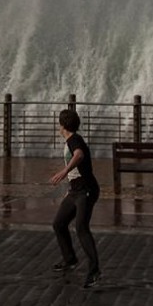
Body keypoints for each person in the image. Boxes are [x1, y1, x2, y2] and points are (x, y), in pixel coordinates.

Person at [50, 108, 101, 288]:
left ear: (62, 125)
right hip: (75, 190)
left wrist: (64, 171)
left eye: (59, 123)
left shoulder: (74, 139)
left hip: (86, 190)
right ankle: (70, 259)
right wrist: (69, 186)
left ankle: (94, 271)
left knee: (81, 227)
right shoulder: (69, 140)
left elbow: (79, 155)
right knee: (59, 224)